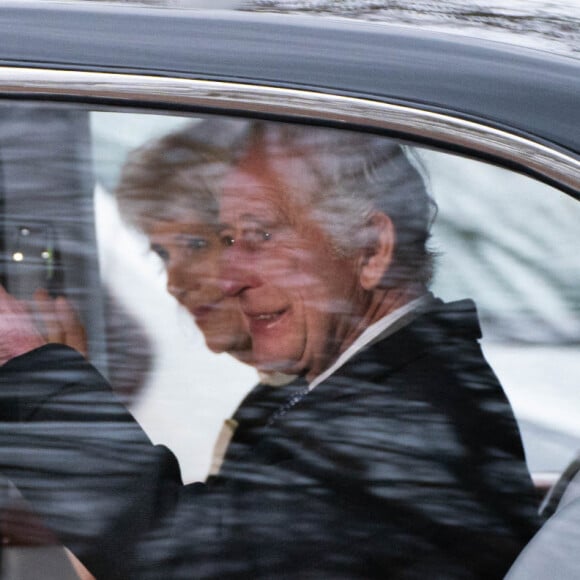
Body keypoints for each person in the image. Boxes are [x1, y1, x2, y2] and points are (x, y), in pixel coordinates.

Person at [0, 119, 539, 579]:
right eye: (228, 240)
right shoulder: (362, 392)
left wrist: (30, 366)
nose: (227, 277)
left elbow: (181, 559)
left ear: (371, 250)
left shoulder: (405, 420)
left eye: (260, 237)